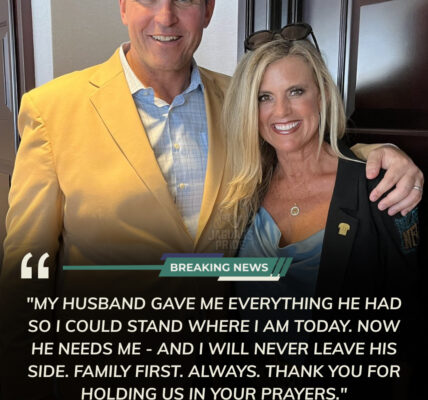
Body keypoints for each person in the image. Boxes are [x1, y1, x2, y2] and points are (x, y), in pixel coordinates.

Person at [0, 3, 423, 398]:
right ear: (124, 6)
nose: (166, 17)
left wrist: (373, 155)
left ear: (207, 11)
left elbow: (299, 149)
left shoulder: (239, 100)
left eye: (185, 0)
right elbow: (26, 262)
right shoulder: (52, 110)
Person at [221, 27, 422, 399]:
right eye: (264, 97)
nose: (281, 111)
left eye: (296, 91)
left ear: (323, 95)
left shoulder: (379, 187)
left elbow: (409, 326)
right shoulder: (244, 192)